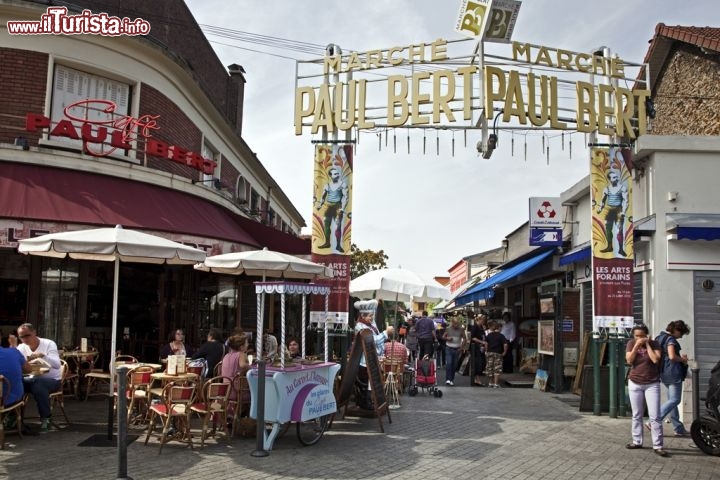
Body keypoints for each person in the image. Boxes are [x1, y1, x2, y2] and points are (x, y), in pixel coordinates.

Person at [9, 323, 61, 433]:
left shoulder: (48, 344)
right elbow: (15, 365)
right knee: (13, 383)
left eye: (27, 335)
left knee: (38, 384)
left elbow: (57, 365)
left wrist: (43, 356)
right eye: (21, 337)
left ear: (34, 333)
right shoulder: (21, 347)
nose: (24, 339)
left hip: (52, 380)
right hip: (30, 379)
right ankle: (15, 418)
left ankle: (46, 418)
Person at [625, 323, 667, 456]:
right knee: (637, 414)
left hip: (652, 383)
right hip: (635, 382)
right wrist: (637, 345)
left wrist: (647, 344)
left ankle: (658, 445)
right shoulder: (631, 343)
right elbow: (629, 360)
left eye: (642, 336)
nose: (639, 338)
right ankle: (637, 441)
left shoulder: (655, 344)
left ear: (647, 335)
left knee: (655, 416)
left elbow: (655, 359)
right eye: (637, 336)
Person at [353, 300, 394, 410]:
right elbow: (372, 340)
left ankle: (368, 402)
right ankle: (364, 404)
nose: (371, 318)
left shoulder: (371, 324)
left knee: (370, 383)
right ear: (363, 315)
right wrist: (386, 333)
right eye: (370, 316)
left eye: (372, 315)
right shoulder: (360, 326)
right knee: (364, 383)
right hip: (363, 360)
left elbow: (376, 337)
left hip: (372, 359)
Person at [654, 320, 691, 437]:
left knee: (672, 401)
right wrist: (683, 360)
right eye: (681, 333)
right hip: (673, 372)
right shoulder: (670, 339)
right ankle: (654, 420)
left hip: (663, 372)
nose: (681, 336)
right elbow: (672, 356)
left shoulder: (659, 337)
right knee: (675, 400)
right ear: (676, 330)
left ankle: (678, 428)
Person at [0, 332, 31, 430]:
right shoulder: (13, 352)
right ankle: (14, 421)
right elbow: (28, 369)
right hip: (7, 400)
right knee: (24, 389)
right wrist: (14, 346)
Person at [596, 168, 629, 257]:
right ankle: (609, 246)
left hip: (618, 210)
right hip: (609, 210)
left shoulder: (622, 188)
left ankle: (621, 249)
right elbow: (603, 200)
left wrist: (623, 211)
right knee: (608, 229)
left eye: (616, 177)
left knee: (620, 230)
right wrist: (600, 208)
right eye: (613, 177)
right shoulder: (606, 189)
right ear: (610, 179)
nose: (616, 178)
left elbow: (626, 200)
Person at [315, 165, 348, 253]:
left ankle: (338, 245)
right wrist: (320, 205)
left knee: (338, 226)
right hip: (328, 205)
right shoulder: (327, 185)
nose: (337, 175)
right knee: (326, 224)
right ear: (331, 176)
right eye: (335, 174)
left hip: (338, 206)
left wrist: (342, 208)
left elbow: (345, 197)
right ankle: (327, 243)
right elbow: (323, 196)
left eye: (338, 173)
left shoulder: (342, 184)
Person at [221, 333, 250, 419]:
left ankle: (235, 415)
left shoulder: (226, 355)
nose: (248, 345)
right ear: (241, 347)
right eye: (246, 343)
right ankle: (248, 419)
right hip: (236, 391)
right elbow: (242, 365)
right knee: (255, 394)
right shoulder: (241, 354)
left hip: (225, 390)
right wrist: (251, 366)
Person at [443, 314, 466, 386]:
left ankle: (451, 379)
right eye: (455, 323)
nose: (456, 325)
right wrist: (447, 338)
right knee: (449, 364)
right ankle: (448, 379)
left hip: (457, 349)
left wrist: (462, 347)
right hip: (449, 348)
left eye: (457, 324)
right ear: (452, 323)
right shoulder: (448, 328)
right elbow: (443, 336)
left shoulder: (461, 329)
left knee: (454, 365)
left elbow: (465, 339)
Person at [485, 321, 509, 388]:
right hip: (498, 353)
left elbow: (486, 344)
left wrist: (486, 351)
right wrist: (504, 352)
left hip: (490, 353)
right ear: (499, 328)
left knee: (490, 368)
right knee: (497, 368)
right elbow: (505, 344)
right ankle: (496, 383)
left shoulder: (489, 335)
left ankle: (490, 382)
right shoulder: (501, 336)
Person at [470, 314, 488, 386]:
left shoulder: (481, 327)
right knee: (477, 363)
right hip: (476, 348)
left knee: (481, 363)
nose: (484, 322)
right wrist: (482, 342)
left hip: (481, 348)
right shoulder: (475, 327)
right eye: (483, 320)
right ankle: (476, 379)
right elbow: (473, 337)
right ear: (479, 320)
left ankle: (477, 378)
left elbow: (483, 336)